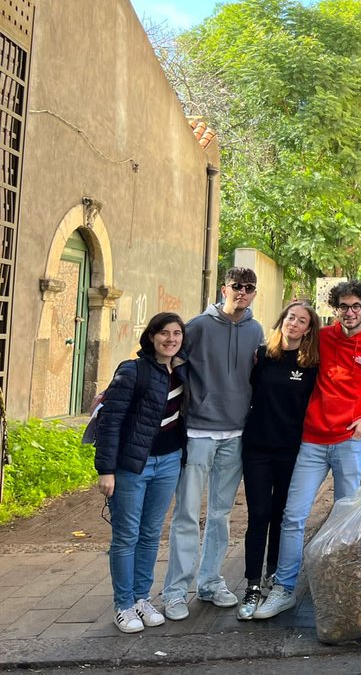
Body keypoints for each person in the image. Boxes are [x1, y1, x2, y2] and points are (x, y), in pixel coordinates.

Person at [254, 279, 361, 619]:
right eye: (343, 307)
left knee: (345, 519)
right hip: (311, 440)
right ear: (335, 309)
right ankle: (284, 588)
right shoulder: (323, 339)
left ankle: (342, 585)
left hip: (349, 443)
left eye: (356, 306)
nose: (349, 312)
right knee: (293, 516)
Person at [162, 267, 264, 620]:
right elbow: (173, 361)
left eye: (249, 288)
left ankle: (209, 582)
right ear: (224, 288)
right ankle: (175, 591)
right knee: (187, 514)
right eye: (237, 286)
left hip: (235, 433)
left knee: (220, 515)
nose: (242, 292)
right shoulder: (199, 326)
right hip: (199, 432)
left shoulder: (255, 330)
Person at [94, 313, 189, 633]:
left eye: (176, 334)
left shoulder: (182, 371)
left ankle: (141, 598)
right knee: (126, 536)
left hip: (169, 462)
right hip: (133, 466)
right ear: (150, 337)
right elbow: (110, 421)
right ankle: (123, 605)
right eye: (163, 333)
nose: (170, 339)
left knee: (150, 534)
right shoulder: (132, 370)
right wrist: (106, 470)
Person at [236, 301, 320, 620]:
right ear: (282, 320)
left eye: (301, 321)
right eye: (290, 317)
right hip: (257, 447)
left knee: (283, 516)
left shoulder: (311, 364)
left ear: (309, 329)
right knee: (259, 514)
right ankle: (252, 586)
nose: (294, 324)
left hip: (291, 449)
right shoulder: (262, 355)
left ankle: (275, 577)